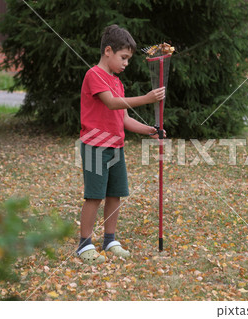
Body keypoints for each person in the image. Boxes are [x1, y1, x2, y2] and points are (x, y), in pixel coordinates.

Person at [77, 24, 165, 264]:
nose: (126, 63)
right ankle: (84, 244)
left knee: (115, 194)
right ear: (108, 51)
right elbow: (113, 104)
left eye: (128, 59)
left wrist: (151, 130)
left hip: (116, 147)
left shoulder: (117, 82)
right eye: (123, 57)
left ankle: (110, 240)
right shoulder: (93, 75)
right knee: (94, 196)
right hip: (95, 147)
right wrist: (147, 99)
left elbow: (123, 118)